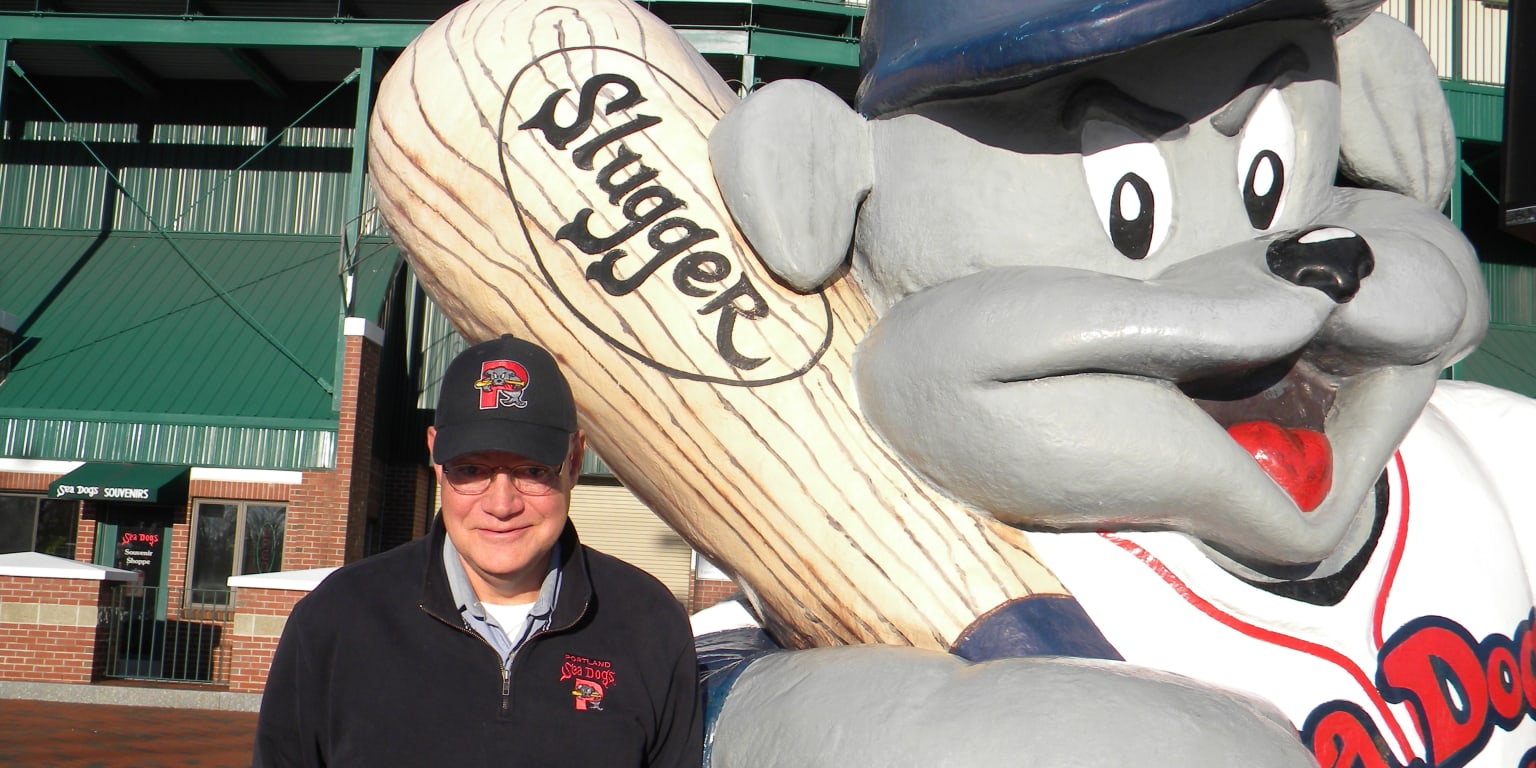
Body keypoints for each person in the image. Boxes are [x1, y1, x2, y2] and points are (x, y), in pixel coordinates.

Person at [253, 334, 703, 767]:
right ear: (434, 455)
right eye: (471, 469)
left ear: (575, 460)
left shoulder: (648, 625)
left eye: (531, 469)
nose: (501, 504)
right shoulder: (336, 620)